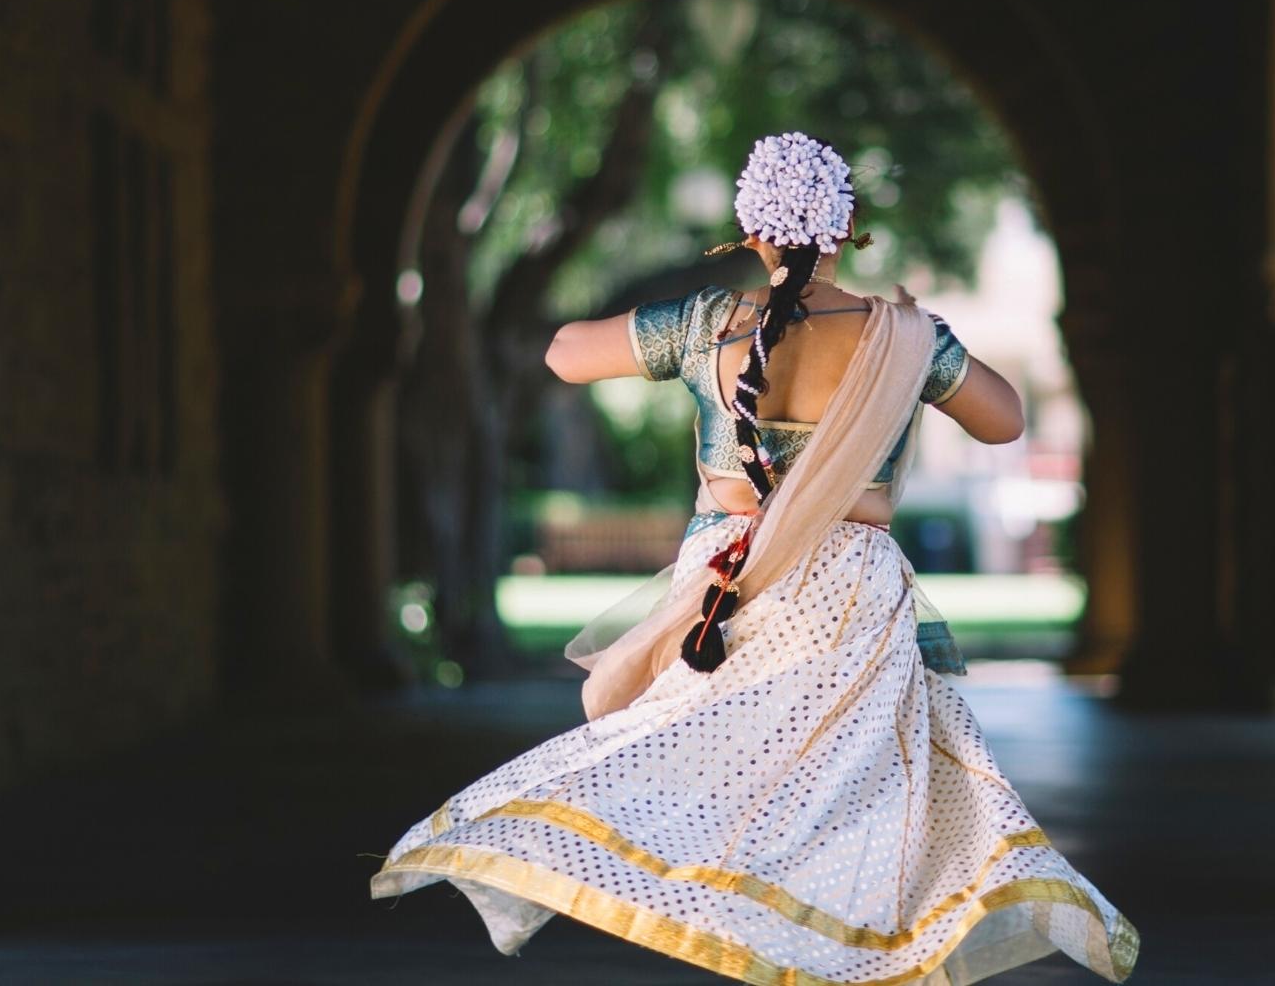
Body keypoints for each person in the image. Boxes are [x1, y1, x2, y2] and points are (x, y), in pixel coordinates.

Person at [370, 131, 1138, 985]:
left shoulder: (711, 326)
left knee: (722, 786)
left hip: (725, 589)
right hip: (851, 593)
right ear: (850, 231)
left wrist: (682, 329)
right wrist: (927, 347)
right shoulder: (905, 338)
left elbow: (562, 352)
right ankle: (843, 958)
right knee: (848, 798)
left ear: (750, 235)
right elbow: (1006, 420)